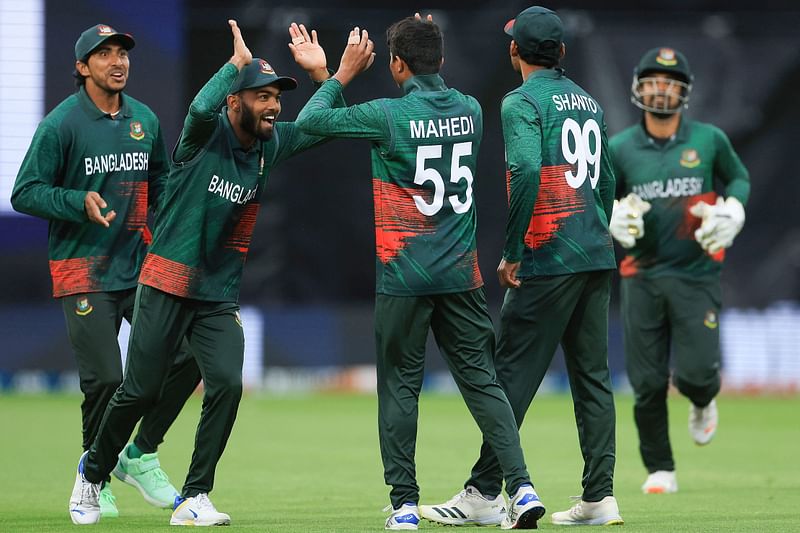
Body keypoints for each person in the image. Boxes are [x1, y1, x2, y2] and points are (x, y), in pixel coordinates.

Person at [67, 19, 338, 525]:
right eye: (261, 97)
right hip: (166, 280)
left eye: (277, 96)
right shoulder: (201, 137)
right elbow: (197, 107)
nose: (274, 106)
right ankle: (94, 470)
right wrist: (233, 66)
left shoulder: (271, 143)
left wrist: (326, 75)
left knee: (227, 384)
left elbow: (325, 125)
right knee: (140, 390)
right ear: (234, 102)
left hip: (217, 293)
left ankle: (195, 496)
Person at [295, 14, 546, 531]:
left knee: (401, 390)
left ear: (395, 64)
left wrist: (336, 75)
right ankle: (521, 490)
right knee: (483, 385)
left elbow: (313, 123)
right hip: (460, 277)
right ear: (443, 60)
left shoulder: (387, 115)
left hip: (404, 279)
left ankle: (405, 505)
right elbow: (432, 93)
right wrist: (423, 42)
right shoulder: (471, 110)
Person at [421, 6, 625, 527]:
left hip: (549, 256)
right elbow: (605, 181)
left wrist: (513, 250)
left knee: (509, 375)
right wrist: (600, 228)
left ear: (515, 51)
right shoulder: (591, 102)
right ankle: (600, 497)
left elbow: (528, 168)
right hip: (596, 254)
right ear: (561, 52)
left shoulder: (519, 102)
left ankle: (486, 491)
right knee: (593, 379)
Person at [12, 23, 202, 521]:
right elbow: (25, 191)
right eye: (104, 55)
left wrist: (172, 227)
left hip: (141, 269)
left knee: (187, 358)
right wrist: (78, 201)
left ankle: (140, 454)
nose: (117, 61)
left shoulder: (144, 118)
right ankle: (95, 475)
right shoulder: (62, 125)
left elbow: (160, 181)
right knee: (105, 380)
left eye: (122, 53)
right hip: (84, 270)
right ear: (81, 67)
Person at [609, 47, 749, 494]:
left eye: (669, 82)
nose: (660, 89)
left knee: (694, 375)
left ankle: (704, 400)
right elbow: (599, 198)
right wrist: (611, 215)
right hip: (641, 275)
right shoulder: (620, 147)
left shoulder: (708, 139)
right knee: (647, 382)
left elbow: (739, 177)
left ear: (683, 91)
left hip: (696, 272)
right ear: (638, 87)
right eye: (652, 80)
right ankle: (660, 468)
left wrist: (734, 210)